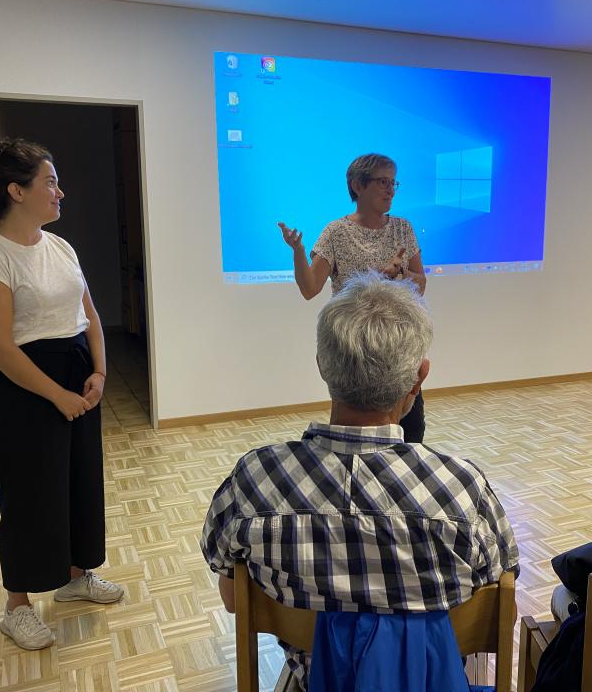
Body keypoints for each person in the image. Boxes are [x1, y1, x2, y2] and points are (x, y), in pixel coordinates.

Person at [202, 272, 519, 689]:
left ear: (322, 364)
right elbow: (500, 611)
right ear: (419, 377)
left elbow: (232, 598)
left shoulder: (255, 481)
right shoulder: (463, 489)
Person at [0, 137, 123, 651]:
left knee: (78, 481)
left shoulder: (60, 246)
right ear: (16, 190)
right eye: (49, 182)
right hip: (28, 387)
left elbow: (90, 315)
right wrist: (57, 395)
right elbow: (1, 348)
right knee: (31, 493)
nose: (60, 191)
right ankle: (17, 605)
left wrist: (98, 372)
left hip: (76, 372)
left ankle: (77, 575)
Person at [278, 152, 429, 443]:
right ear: (358, 185)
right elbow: (310, 288)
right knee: (356, 427)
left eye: (393, 183)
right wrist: (298, 251)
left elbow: (420, 284)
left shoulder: (402, 228)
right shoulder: (336, 232)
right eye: (382, 181)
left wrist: (399, 275)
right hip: (354, 345)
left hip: (399, 339)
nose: (389, 189)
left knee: (411, 429)